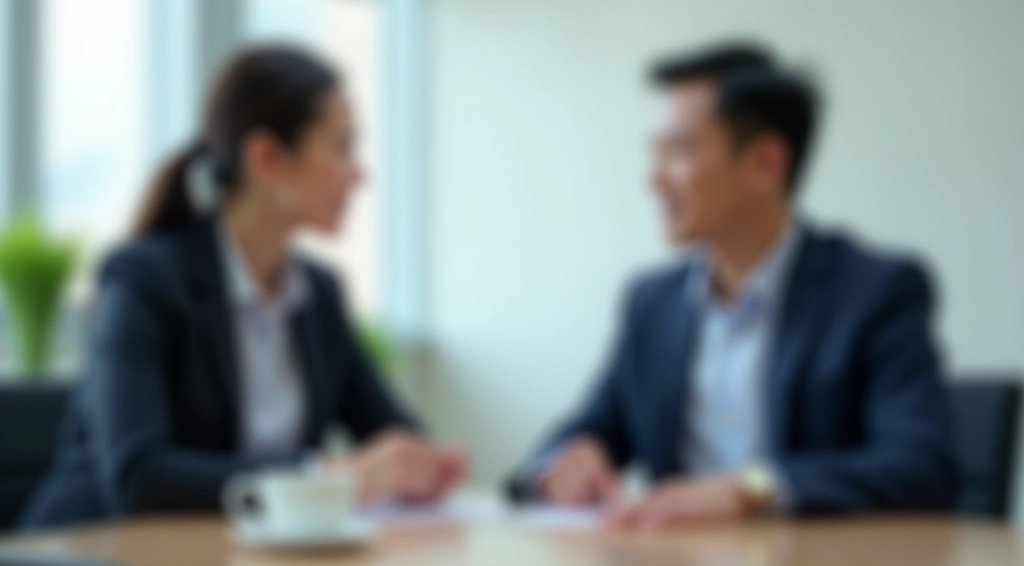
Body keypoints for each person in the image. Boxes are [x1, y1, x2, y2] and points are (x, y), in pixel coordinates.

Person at [508, 43, 957, 529]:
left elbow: (921, 465)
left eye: (678, 151)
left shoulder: (875, 291)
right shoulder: (651, 301)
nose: (653, 179)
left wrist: (752, 488)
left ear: (765, 164)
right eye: (654, 153)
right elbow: (590, 431)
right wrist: (568, 464)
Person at [21, 45, 464, 530]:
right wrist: (328, 476)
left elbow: (388, 434)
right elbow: (140, 477)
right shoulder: (143, 279)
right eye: (341, 147)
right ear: (267, 158)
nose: (359, 174)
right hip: (90, 548)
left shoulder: (318, 293)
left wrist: (425, 464)